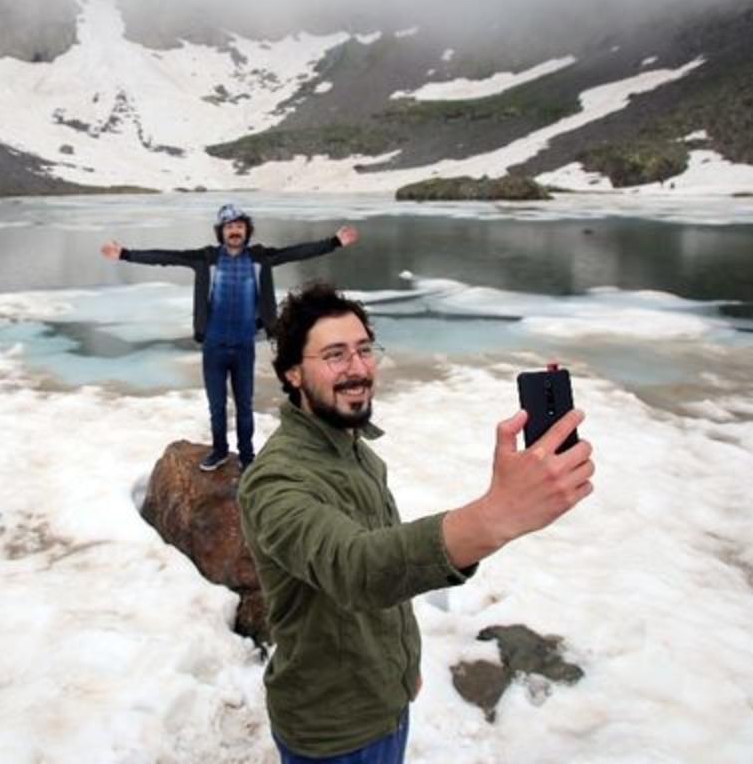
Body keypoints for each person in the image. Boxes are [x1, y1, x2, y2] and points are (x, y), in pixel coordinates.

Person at [238, 281, 595, 763]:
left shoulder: (355, 452)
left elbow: (389, 572)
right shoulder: (274, 482)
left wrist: (401, 669)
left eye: (365, 350)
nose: (359, 368)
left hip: (386, 701)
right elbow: (358, 568)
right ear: (294, 374)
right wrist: (496, 515)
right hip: (332, 731)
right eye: (336, 355)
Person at [101, 205, 359, 472]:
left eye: (239, 226)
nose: (234, 231)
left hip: (244, 343)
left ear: (246, 231)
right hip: (214, 344)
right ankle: (220, 451)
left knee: (245, 405)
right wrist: (125, 254)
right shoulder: (205, 258)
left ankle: (247, 457)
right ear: (221, 232)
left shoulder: (262, 258)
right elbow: (165, 256)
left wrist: (334, 242)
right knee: (217, 405)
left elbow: (297, 252)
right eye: (229, 227)